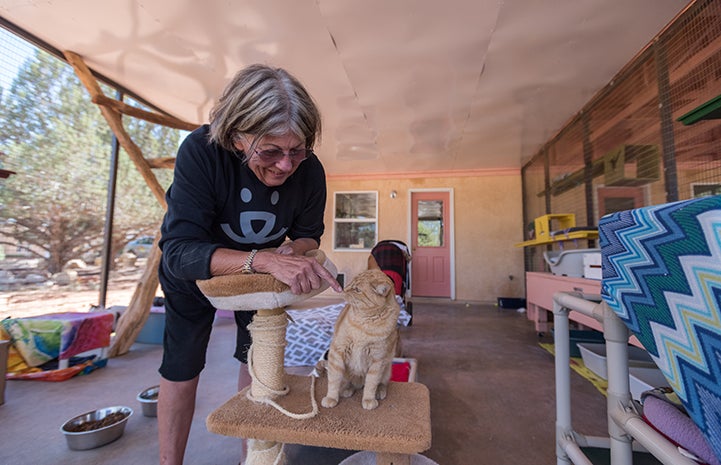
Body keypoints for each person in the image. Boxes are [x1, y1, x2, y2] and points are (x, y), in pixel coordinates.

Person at [157, 64, 343, 465]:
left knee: (258, 363)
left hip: (259, 278)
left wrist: (295, 253)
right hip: (194, 272)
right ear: (237, 137)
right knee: (182, 367)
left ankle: (253, 459)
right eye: (270, 151)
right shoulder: (201, 152)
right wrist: (264, 259)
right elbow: (179, 252)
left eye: (298, 150)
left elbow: (309, 234)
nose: (285, 166)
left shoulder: (309, 170)